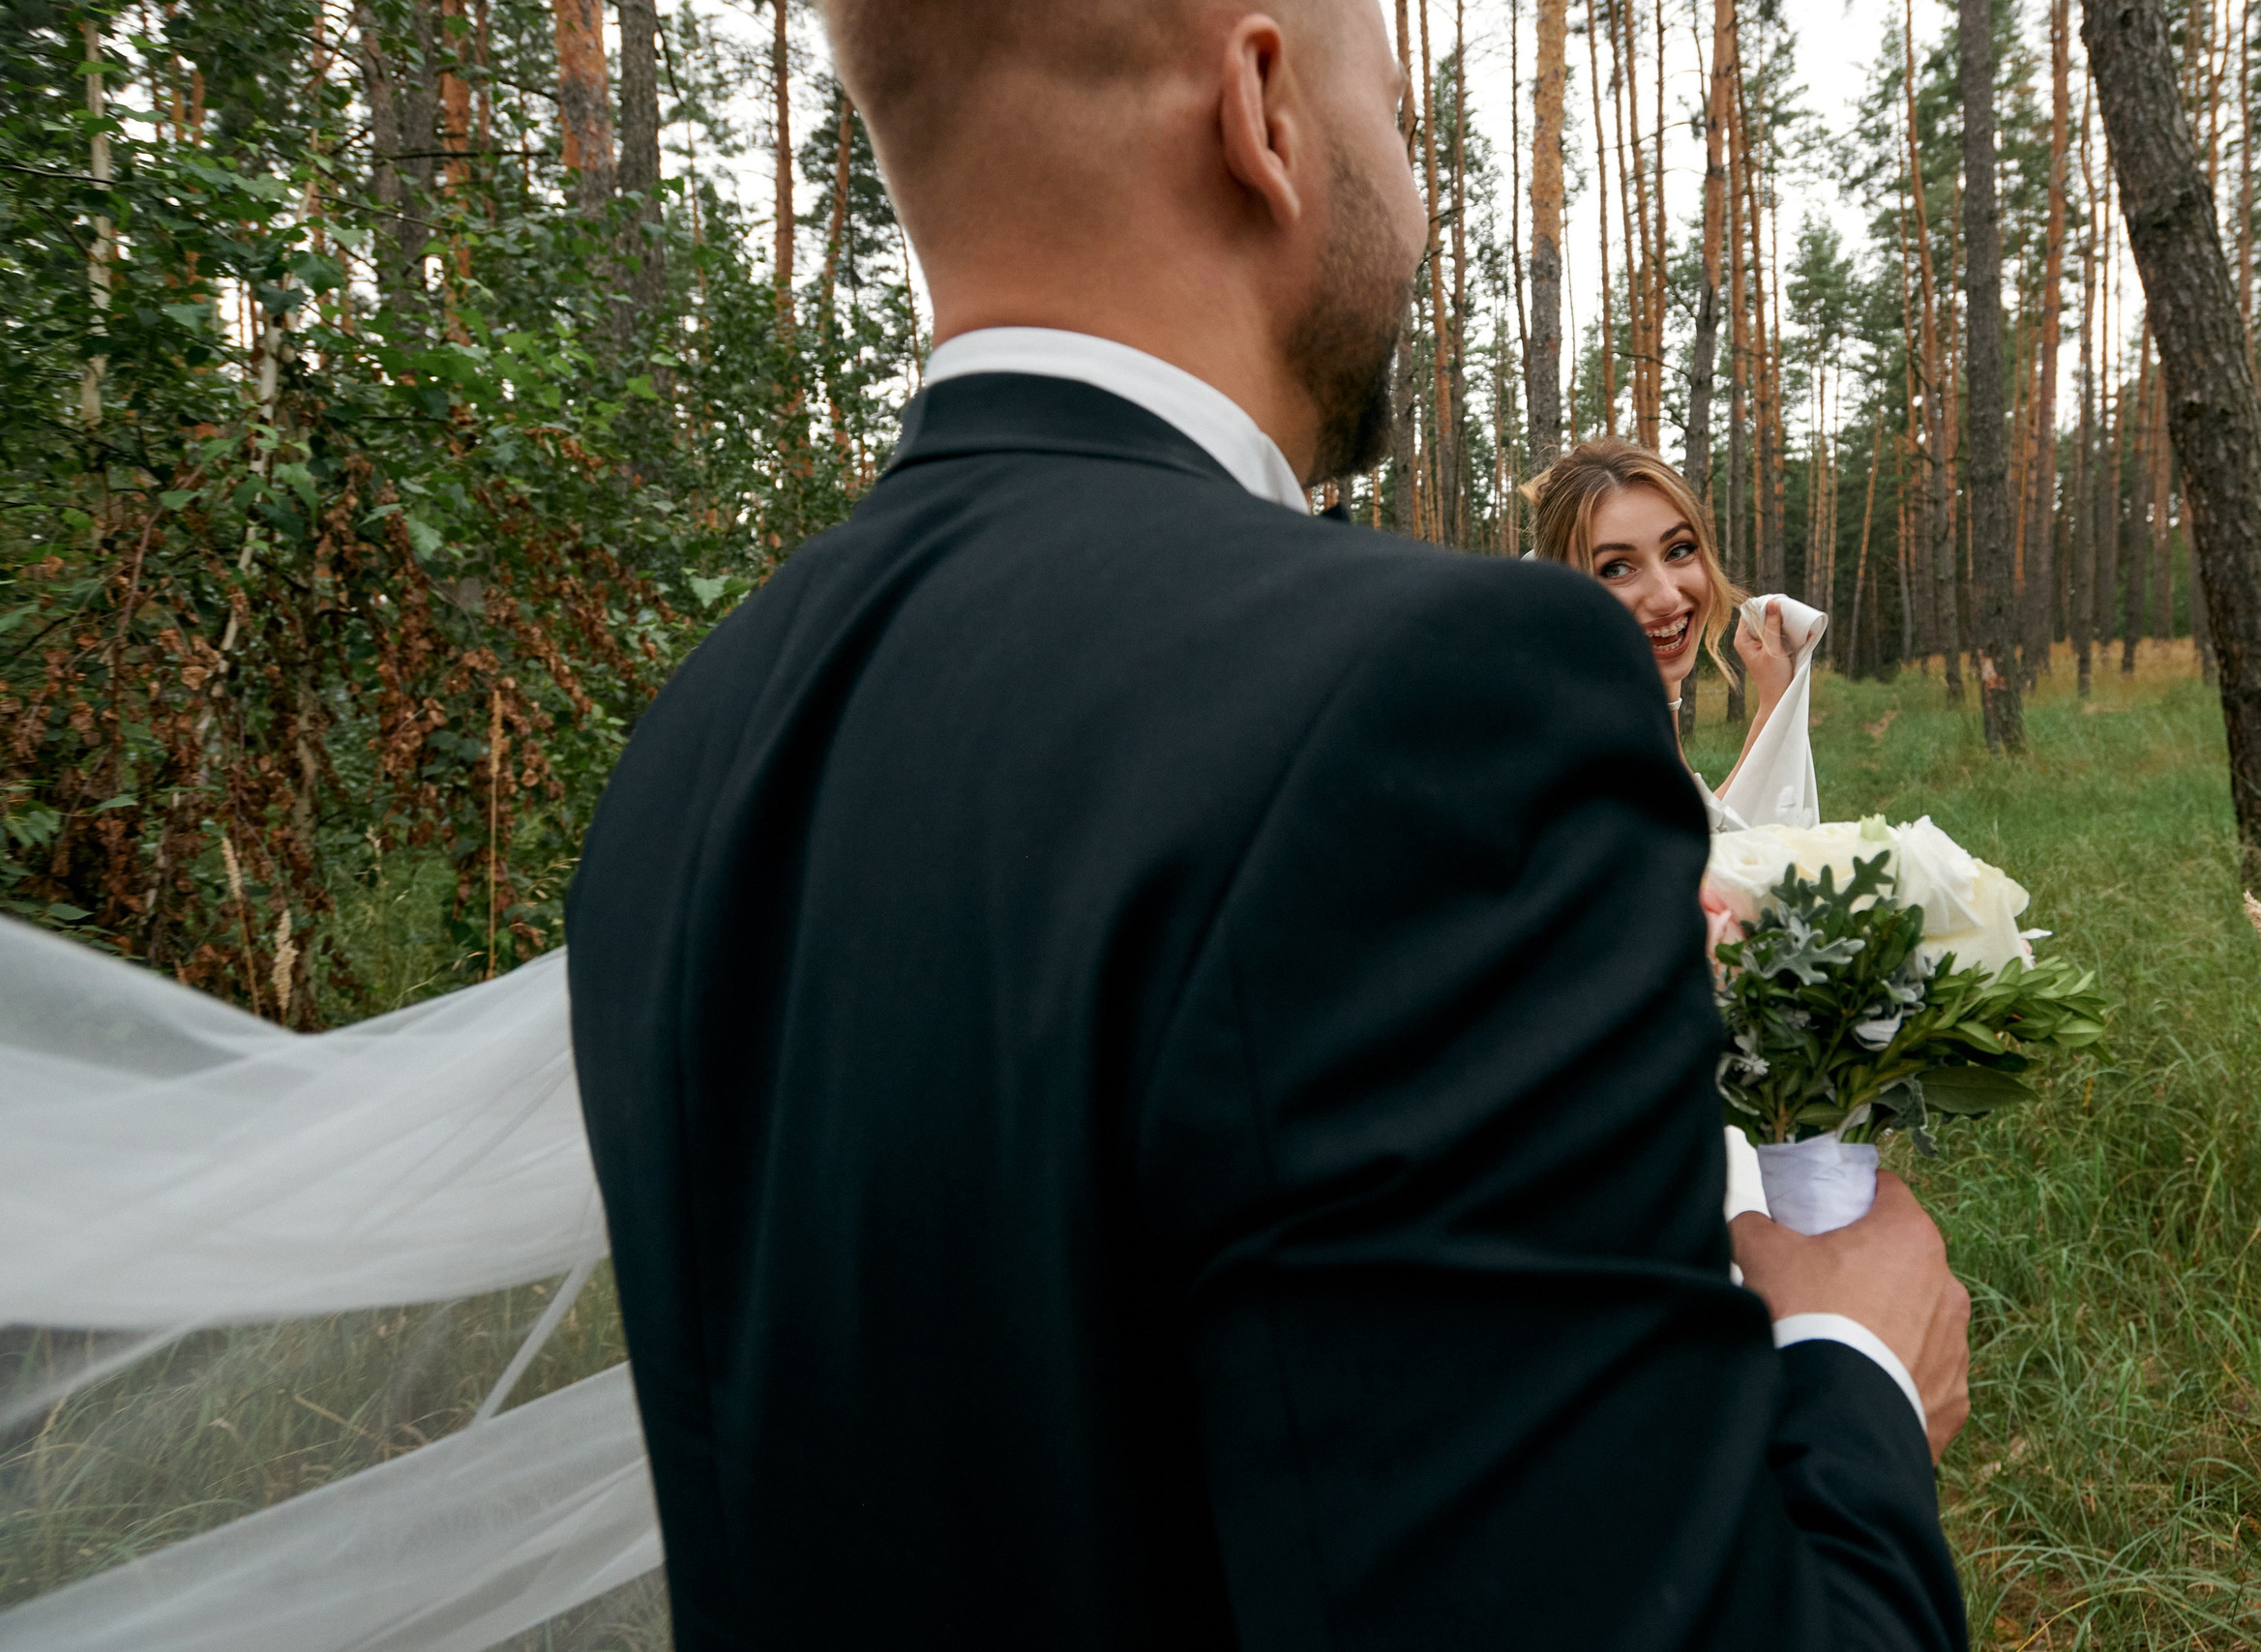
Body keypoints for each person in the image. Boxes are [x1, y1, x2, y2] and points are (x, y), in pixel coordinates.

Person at [563, 3, 1974, 1650]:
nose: (1419, 192)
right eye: (1394, 108)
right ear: (1263, 109)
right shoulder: (1431, 696)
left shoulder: (695, 737)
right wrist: (1856, 1371)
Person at [1524, 436, 1804, 811]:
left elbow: (1697, 827)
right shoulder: (1578, 744)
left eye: (1679, 550)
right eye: (1616, 568)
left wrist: (1774, 705)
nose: (1668, 597)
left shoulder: (1628, 698)